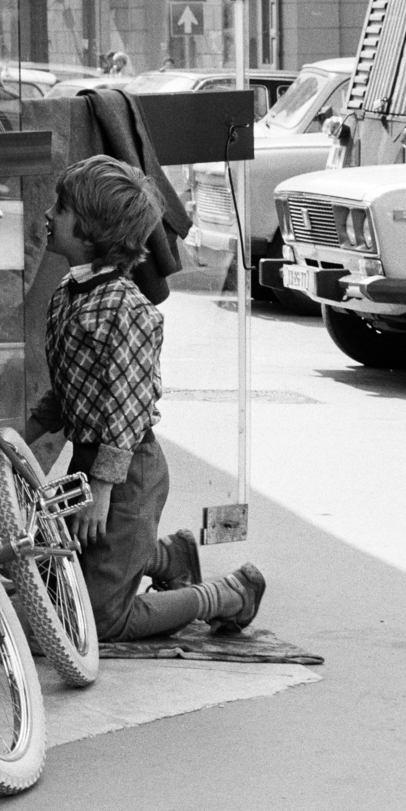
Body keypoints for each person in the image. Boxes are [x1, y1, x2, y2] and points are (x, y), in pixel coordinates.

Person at [21, 155, 265, 642]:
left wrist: (104, 490)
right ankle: (169, 556)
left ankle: (230, 594)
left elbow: (128, 408)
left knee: (98, 621)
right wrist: (18, 436)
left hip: (128, 473)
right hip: (91, 465)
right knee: (60, 577)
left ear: (91, 232)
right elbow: (69, 388)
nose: (48, 215)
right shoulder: (71, 292)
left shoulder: (125, 308)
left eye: (61, 208)